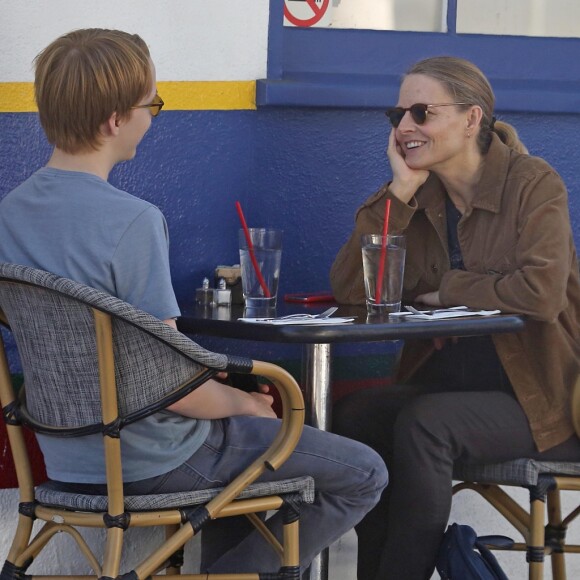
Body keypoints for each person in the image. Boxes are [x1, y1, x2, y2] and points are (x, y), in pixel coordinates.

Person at [0, 28, 388, 576]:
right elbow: (167, 389)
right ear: (115, 119)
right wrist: (244, 404)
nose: (153, 117)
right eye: (151, 104)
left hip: (65, 460)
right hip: (156, 458)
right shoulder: (132, 220)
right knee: (363, 472)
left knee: (249, 450)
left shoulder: (9, 216)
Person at [330, 55, 580, 580]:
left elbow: (541, 294)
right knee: (358, 418)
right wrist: (398, 192)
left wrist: (447, 290)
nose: (404, 128)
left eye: (421, 112)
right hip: (454, 383)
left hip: (542, 400)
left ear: (471, 118)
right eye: (396, 115)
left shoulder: (532, 183)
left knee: (427, 426)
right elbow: (353, 291)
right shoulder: (423, 197)